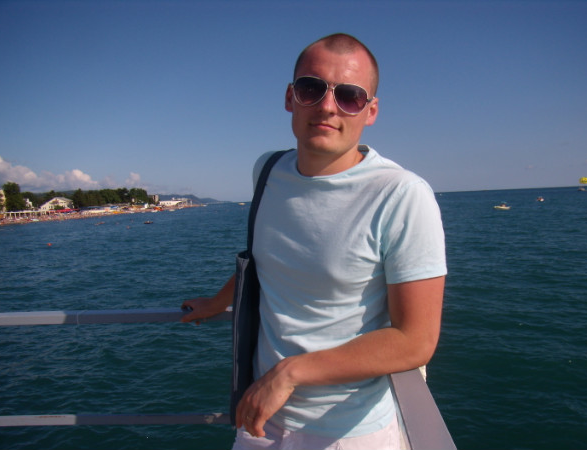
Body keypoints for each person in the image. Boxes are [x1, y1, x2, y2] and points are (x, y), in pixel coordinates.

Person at [182, 33, 446, 450]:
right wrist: (218, 302)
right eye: (312, 88)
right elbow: (270, 261)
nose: (327, 106)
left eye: (349, 96)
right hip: (260, 422)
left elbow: (415, 340)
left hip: (348, 433)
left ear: (371, 111)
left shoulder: (401, 195)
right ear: (290, 97)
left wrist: (291, 373)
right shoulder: (268, 172)